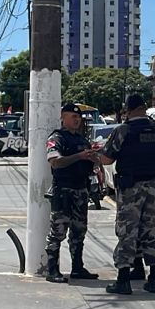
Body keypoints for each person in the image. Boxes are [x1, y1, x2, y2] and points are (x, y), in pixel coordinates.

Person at [99, 93, 155, 295]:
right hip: (153, 186)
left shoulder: (123, 131)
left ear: (129, 110)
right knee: (153, 230)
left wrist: (93, 156)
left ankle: (123, 280)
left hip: (130, 188)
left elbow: (106, 159)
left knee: (127, 231)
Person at [44, 103, 102, 284]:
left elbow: (93, 164)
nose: (77, 120)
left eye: (78, 118)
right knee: (58, 232)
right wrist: (79, 156)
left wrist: (94, 160)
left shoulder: (82, 140)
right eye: (73, 117)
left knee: (79, 231)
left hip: (81, 190)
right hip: (64, 191)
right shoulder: (57, 138)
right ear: (63, 118)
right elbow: (55, 161)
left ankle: (77, 267)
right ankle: (52, 270)